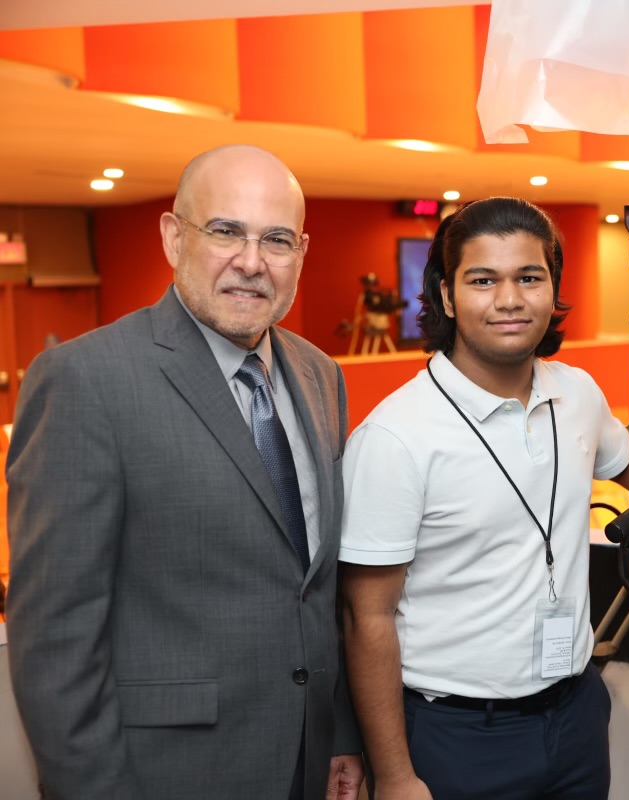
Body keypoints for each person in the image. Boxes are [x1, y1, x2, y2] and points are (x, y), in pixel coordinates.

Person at [338, 196, 629, 800]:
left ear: (552, 287)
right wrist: (398, 776)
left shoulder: (576, 391)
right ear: (449, 296)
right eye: (483, 280)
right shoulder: (395, 436)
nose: (510, 299)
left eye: (529, 278)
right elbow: (365, 618)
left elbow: (628, 454)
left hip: (574, 712)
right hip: (455, 734)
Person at [4, 145, 364, 800]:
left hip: (307, 766)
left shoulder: (321, 375)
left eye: (276, 241)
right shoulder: (86, 379)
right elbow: (55, 640)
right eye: (226, 231)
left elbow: (318, 588)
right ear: (175, 237)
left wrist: (341, 735)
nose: (252, 262)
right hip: (166, 775)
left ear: (301, 253)